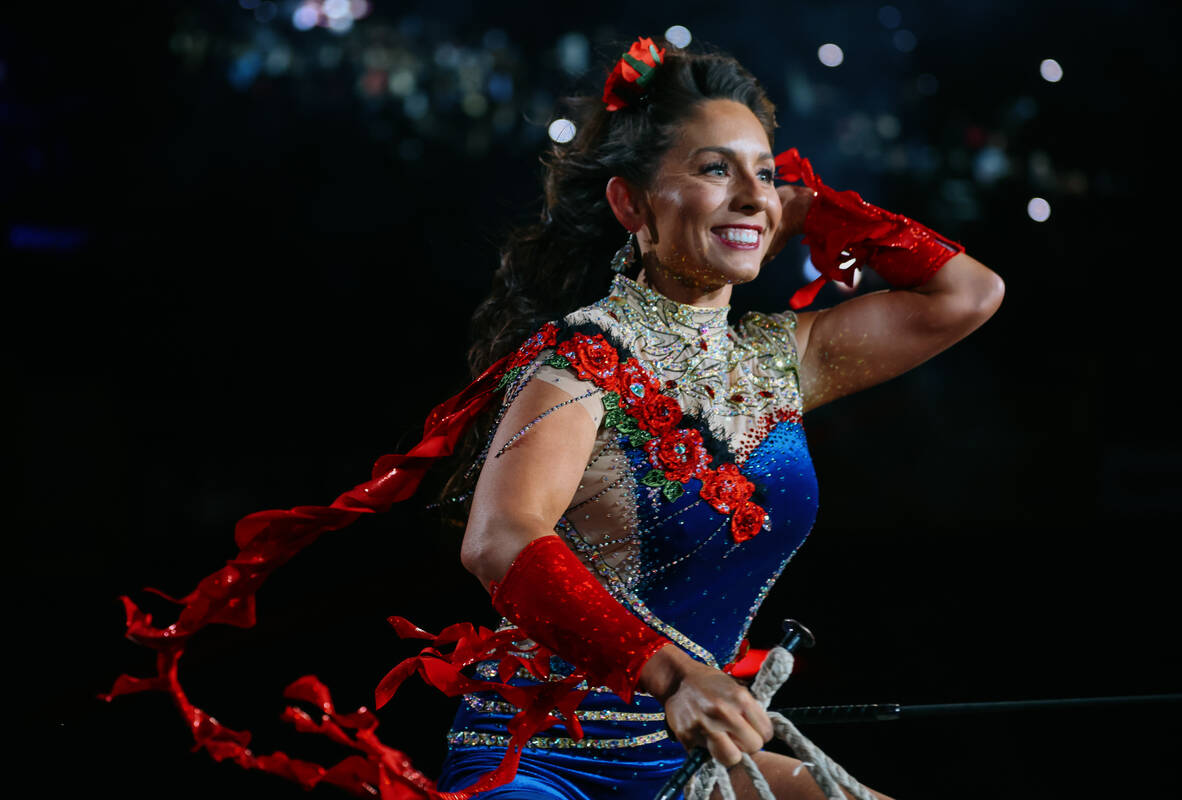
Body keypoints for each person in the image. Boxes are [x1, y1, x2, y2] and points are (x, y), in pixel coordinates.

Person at [106, 34, 1003, 800]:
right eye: (713, 169)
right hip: (541, 764)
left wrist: (814, 208)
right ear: (631, 204)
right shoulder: (578, 365)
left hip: (686, 759)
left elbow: (967, 294)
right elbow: (500, 539)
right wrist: (672, 676)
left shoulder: (782, 359)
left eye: (765, 173)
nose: (751, 194)